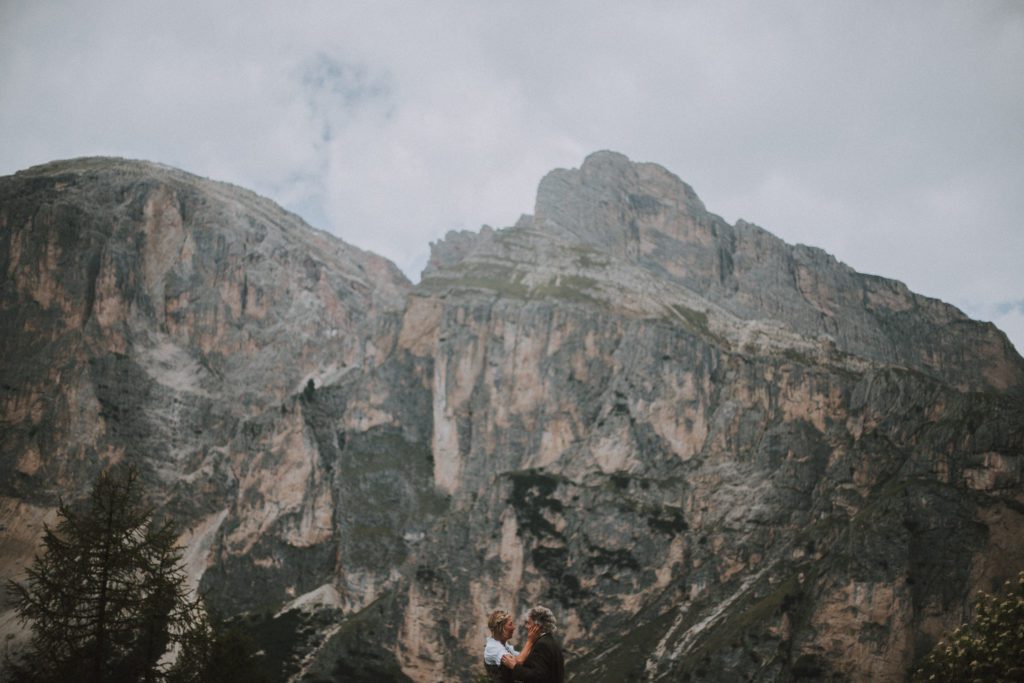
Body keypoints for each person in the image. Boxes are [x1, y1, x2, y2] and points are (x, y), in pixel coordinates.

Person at [502, 605, 565, 683]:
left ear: (537, 626)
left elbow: (538, 677)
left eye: (528, 623)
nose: (526, 626)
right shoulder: (551, 641)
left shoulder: (542, 645)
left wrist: (514, 666)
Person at [484, 609, 540, 682]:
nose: (514, 627)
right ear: (501, 628)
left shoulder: (504, 645)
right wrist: (530, 641)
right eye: (510, 624)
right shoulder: (493, 647)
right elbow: (518, 661)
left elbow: (521, 656)